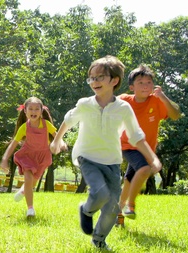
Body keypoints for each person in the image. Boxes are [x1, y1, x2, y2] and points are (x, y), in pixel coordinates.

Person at [50, 56, 162, 249]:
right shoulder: (85, 103)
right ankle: (86, 210)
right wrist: (56, 141)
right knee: (99, 192)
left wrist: (152, 157)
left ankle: (99, 239)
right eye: (91, 78)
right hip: (87, 156)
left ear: (114, 80)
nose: (94, 82)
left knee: (112, 207)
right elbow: (68, 120)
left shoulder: (123, 107)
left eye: (100, 77)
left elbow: (136, 136)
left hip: (111, 161)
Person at [116, 65, 181, 227]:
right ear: (132, 87)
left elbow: (175, 115)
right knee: (144, 169)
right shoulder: (124, 100)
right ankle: (131, 206)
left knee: (130, 180)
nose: (145, 85)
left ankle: (117, 214)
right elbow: (106, 106)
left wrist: (164, 97)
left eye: (149, 82)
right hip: (128, 145)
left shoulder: (156, 101)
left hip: (147, 148)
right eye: (140, 82)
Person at [0, 97, 64, 218]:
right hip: (27, 156)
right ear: (25, 111)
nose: (33, 112)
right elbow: (13, 144)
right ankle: (30, 209)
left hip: (42, 157)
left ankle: (25, 190)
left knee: (33, 182)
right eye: (31, 109)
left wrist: (61, 144)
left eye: (36, 109)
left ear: (41, 111)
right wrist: (4, 159)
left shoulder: (47, 125)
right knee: (28, 179)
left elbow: (57, 136)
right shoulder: (24, 127)